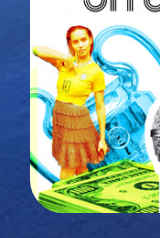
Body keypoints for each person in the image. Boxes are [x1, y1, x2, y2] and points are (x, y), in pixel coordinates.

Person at [34, 25, 107, 180]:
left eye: (83, 40)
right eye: (75, 42)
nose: (80, 45)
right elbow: (36, 50)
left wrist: (102, 139)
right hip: (61, 118)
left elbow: (100, 107)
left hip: (76, 120)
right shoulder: (64, 64)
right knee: (80, 167)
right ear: (70, 44)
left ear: (90, 40)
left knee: (68, 167)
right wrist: (63, 56)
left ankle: (61, 194)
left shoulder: (96, 72)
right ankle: (92, 191)